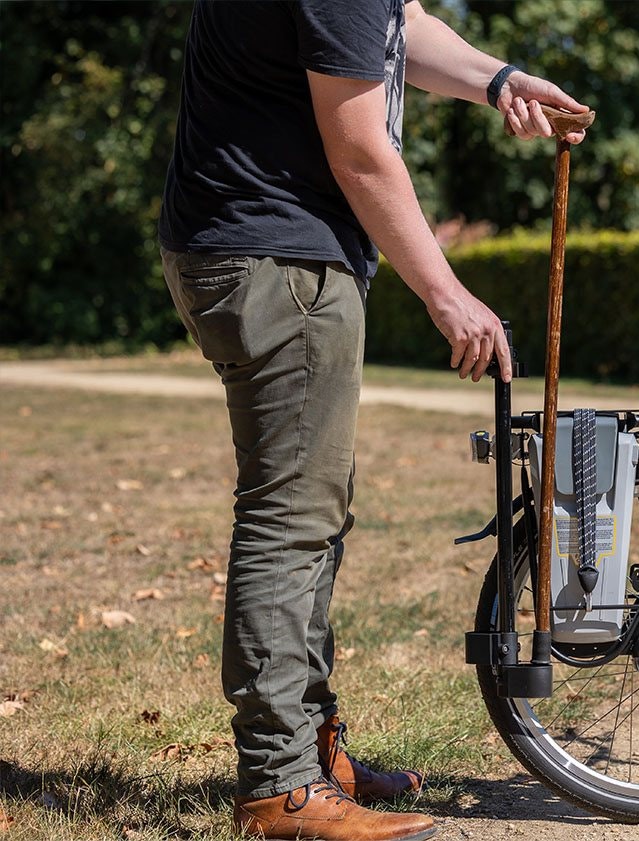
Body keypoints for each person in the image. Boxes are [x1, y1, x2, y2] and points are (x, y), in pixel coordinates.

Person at [157, 2, 587, 839]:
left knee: (311, 514)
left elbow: (404, 26)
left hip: (247, 243)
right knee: (291, 521)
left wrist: (495, 81)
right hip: (279, 255)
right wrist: (447, 294)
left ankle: (312, 752)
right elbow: (359, 149)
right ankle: (280, 785)